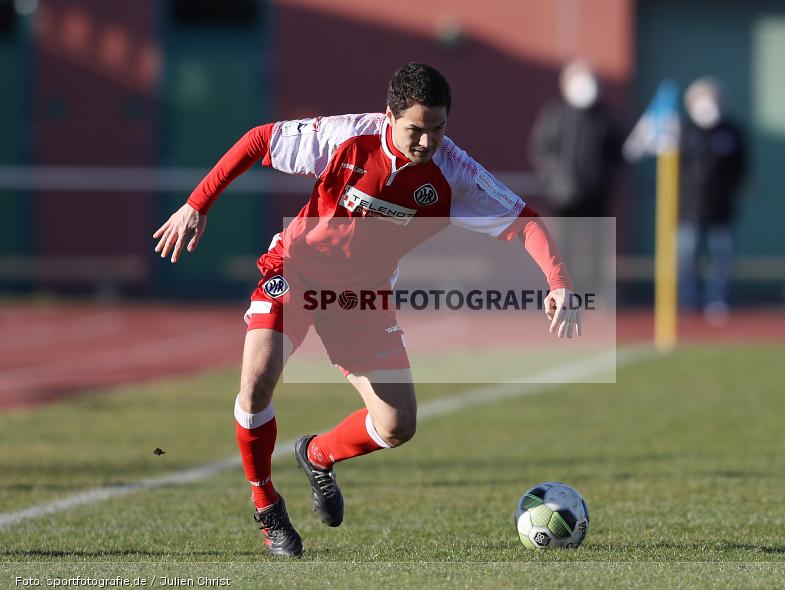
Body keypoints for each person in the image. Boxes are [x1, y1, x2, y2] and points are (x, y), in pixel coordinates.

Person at [152, 63, 581, 558]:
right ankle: (266, 505)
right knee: (256, 380)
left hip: (362, 298)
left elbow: (523, 221)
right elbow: (257, 140)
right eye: (415, 130)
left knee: (398, 425)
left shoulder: (453, 171)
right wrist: (196, 204)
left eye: (437, 129)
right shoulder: (345, 138)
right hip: (296, 270)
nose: (426, 142)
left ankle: (317, 455)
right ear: (389, 116)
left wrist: (559, 281)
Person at [530, 60, 621, 293]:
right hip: (564, 194)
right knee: (564, 244)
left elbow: (617, 153)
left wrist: (604, 178)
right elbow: (541, 149)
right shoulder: (555, 113)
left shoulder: (606, 116)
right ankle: (564, 288)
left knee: (596, 246)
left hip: (596, 194)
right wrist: (555, 179)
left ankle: (594, 291)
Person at [678, 77, 747, 324]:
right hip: (688, 209)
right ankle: (688, 299)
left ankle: (716, 300)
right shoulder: (683, 133)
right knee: (685, 257)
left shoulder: (732, 132)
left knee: (722, 257)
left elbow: (741, 168)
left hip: (721, 208)